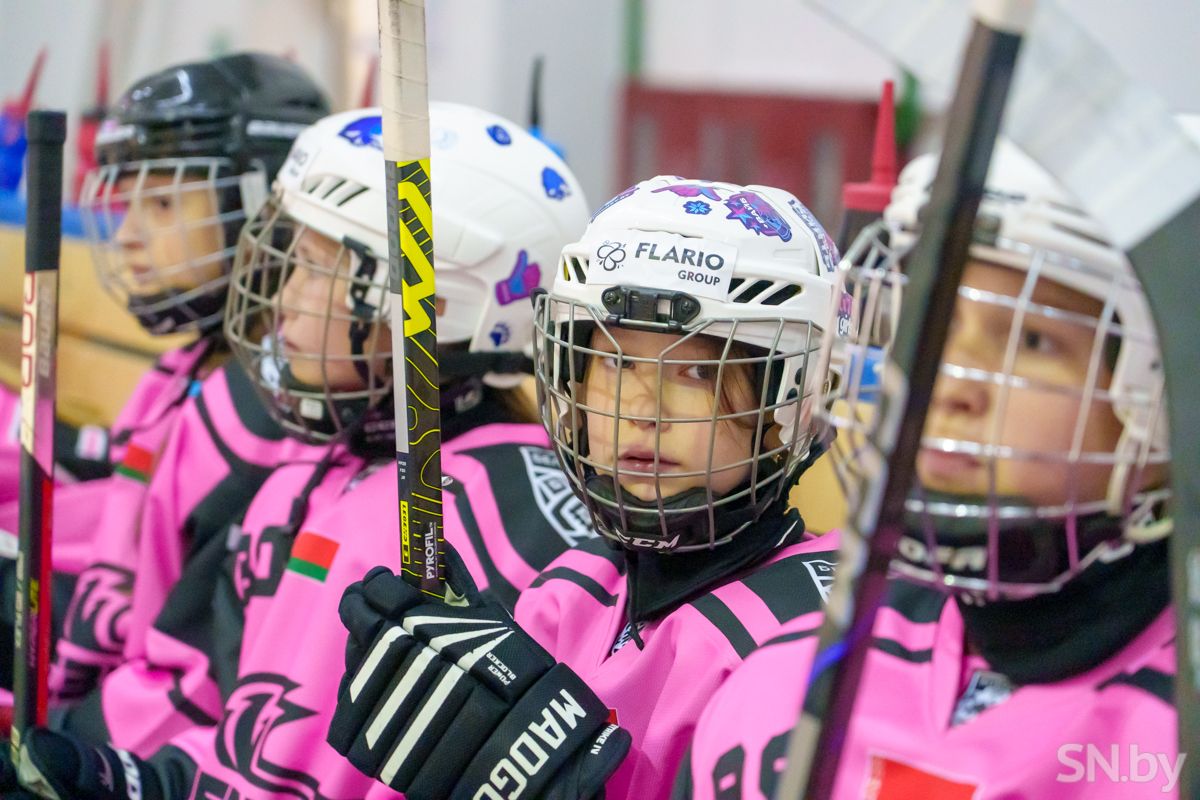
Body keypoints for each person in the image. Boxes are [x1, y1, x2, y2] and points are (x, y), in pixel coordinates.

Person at [2, 101, 595, 798]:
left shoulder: (502, 516)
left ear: (434, 305)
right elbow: (239, 740)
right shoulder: (315, 467)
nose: (282, 299)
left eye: (314, 269)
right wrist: (115, 777)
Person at [319, 175, 849, 800]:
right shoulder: (572, 588)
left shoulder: (811, 633)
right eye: (615, 362)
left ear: (795, 400)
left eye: (694, 371)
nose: (640, 409)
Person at [677, 142, 1178, 799]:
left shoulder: (1173, 734)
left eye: (1030, 339)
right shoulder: (785, 682)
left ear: (1168, 389)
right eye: (931, 320)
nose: (946, 379)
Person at [0, 52, 330, 706]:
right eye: (128, 204)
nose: (126, 236)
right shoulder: (185, 366)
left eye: (160, 203)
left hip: (122, 692)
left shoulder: (275, 411)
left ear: (264, 206)